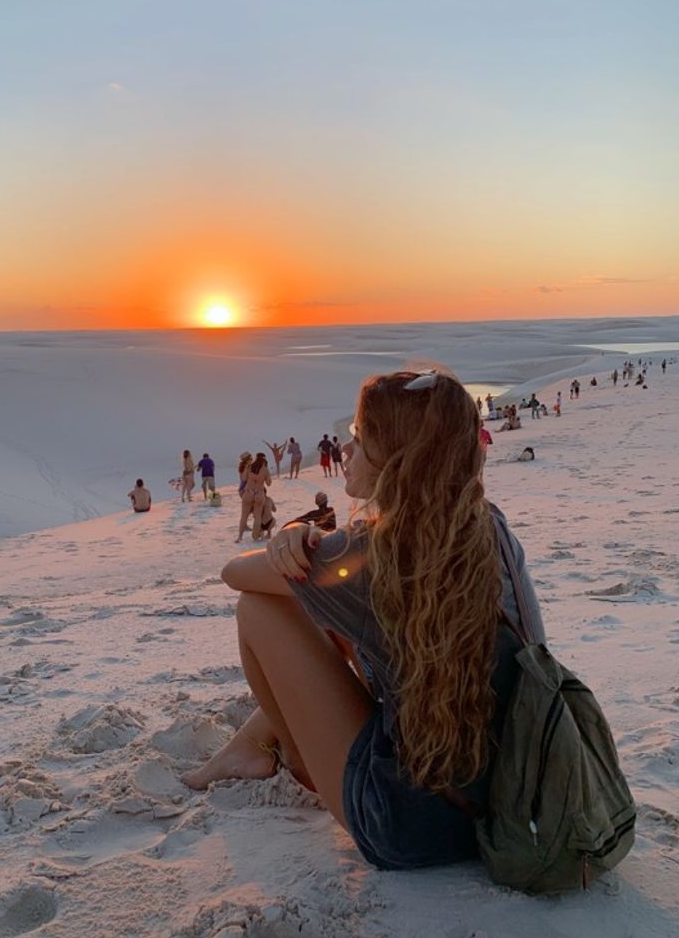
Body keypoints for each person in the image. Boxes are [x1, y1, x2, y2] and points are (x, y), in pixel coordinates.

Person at [183, 368, 546, 873]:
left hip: (409, 824)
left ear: (397, 457)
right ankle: (250, 745)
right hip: (508, 797)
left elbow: (234, 574)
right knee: (336, 620)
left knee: (263, 608)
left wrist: (292, 535)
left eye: (360, 437)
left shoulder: (373, 554)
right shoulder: (487, 525)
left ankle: (290, 752)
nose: (347, 450)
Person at [236, 452, 272, 543]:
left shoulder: (249, 467)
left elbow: (244, 479)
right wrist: (267, 476)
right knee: (258, 516)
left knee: (244, 516)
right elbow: (269, 483)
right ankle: (255, 537)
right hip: (259, 494)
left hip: (248, 493)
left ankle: (240, 537)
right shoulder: (265, 469)